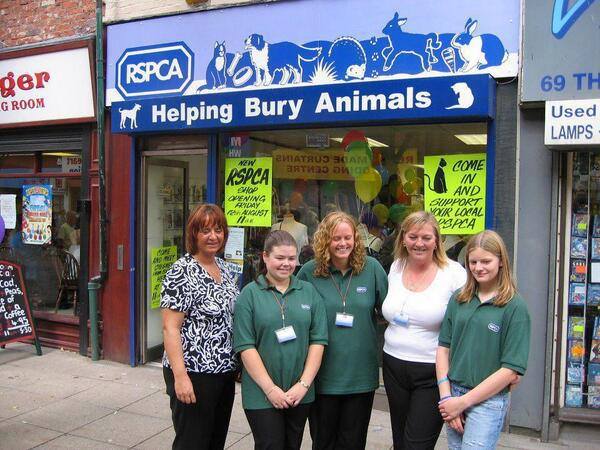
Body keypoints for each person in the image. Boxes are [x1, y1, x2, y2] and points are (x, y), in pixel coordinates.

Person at [297, 211, 388, 450]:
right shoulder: (309, 272)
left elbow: (389, 312)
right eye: (336, 238)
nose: (343, 243)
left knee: (353, 442)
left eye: (348, 237)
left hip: (361, 375)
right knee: (323, 441)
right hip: (322, 375)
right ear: (325, 240)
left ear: (356, 239)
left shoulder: (372, 269)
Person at [436, 230, 531, 450]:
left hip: (488, 401)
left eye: (486, 261)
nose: (479, 267)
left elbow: (510, 370)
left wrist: (462, 403)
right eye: (473, 262)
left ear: (500, 262)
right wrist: (447, 399)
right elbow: (443, 349)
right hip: (453, 392)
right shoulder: (459, 299)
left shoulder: (515, 307)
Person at [233, 230, 328, 450]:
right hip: (261, 394)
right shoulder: (250, 294)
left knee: (292, 445)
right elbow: (246, 346)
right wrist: (270, 390)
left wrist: (303, 385)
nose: (286, 264)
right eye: (280, 258)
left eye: (291, 259)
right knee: (270, 444)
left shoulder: (308, 292)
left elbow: (318, 341)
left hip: (299, 392)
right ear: (265, 257)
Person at [382, 211, 466, 449]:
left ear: (437, 240)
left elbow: (466, 323)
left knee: (417, 443)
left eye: (426, 237)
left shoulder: (454, 274)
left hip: (431, 371)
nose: (419, 243)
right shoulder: (397, 267)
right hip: (393, 365)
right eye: (413, 236)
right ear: (403, 238)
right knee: (399, 438)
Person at [161, 204, 240, 450]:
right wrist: (180, 377)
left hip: (224, 373)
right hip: (194, 372)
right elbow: (170, 329)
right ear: (193, 234)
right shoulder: (181, 272)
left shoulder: (226, 269)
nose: (213, 236)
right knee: (192, 442)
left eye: (218, 229)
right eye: (205, 230)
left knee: (215, 440)